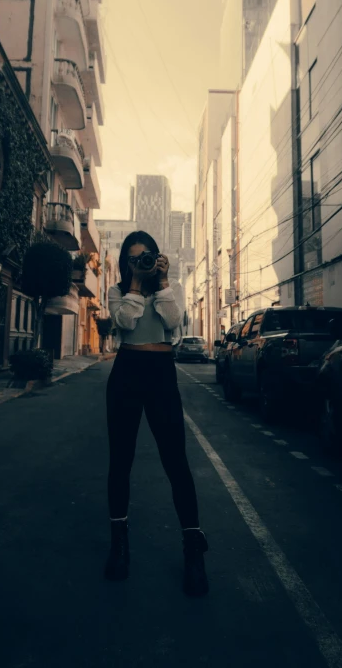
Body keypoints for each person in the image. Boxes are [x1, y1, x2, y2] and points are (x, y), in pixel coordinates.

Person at [104, 230, 209, 597]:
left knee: (176, 461)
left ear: (158, 256)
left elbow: (172, 322)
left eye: (147, 255)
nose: (142, 261)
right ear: (125, 263)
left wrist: (162, 282)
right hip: (127, 372)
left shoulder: (170, 287)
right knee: (121, 460)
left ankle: (194, 550)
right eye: (135, 258)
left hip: (161, 374)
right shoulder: (118, 291)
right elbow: (126, 323)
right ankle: (119, 544)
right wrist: (134, 283)